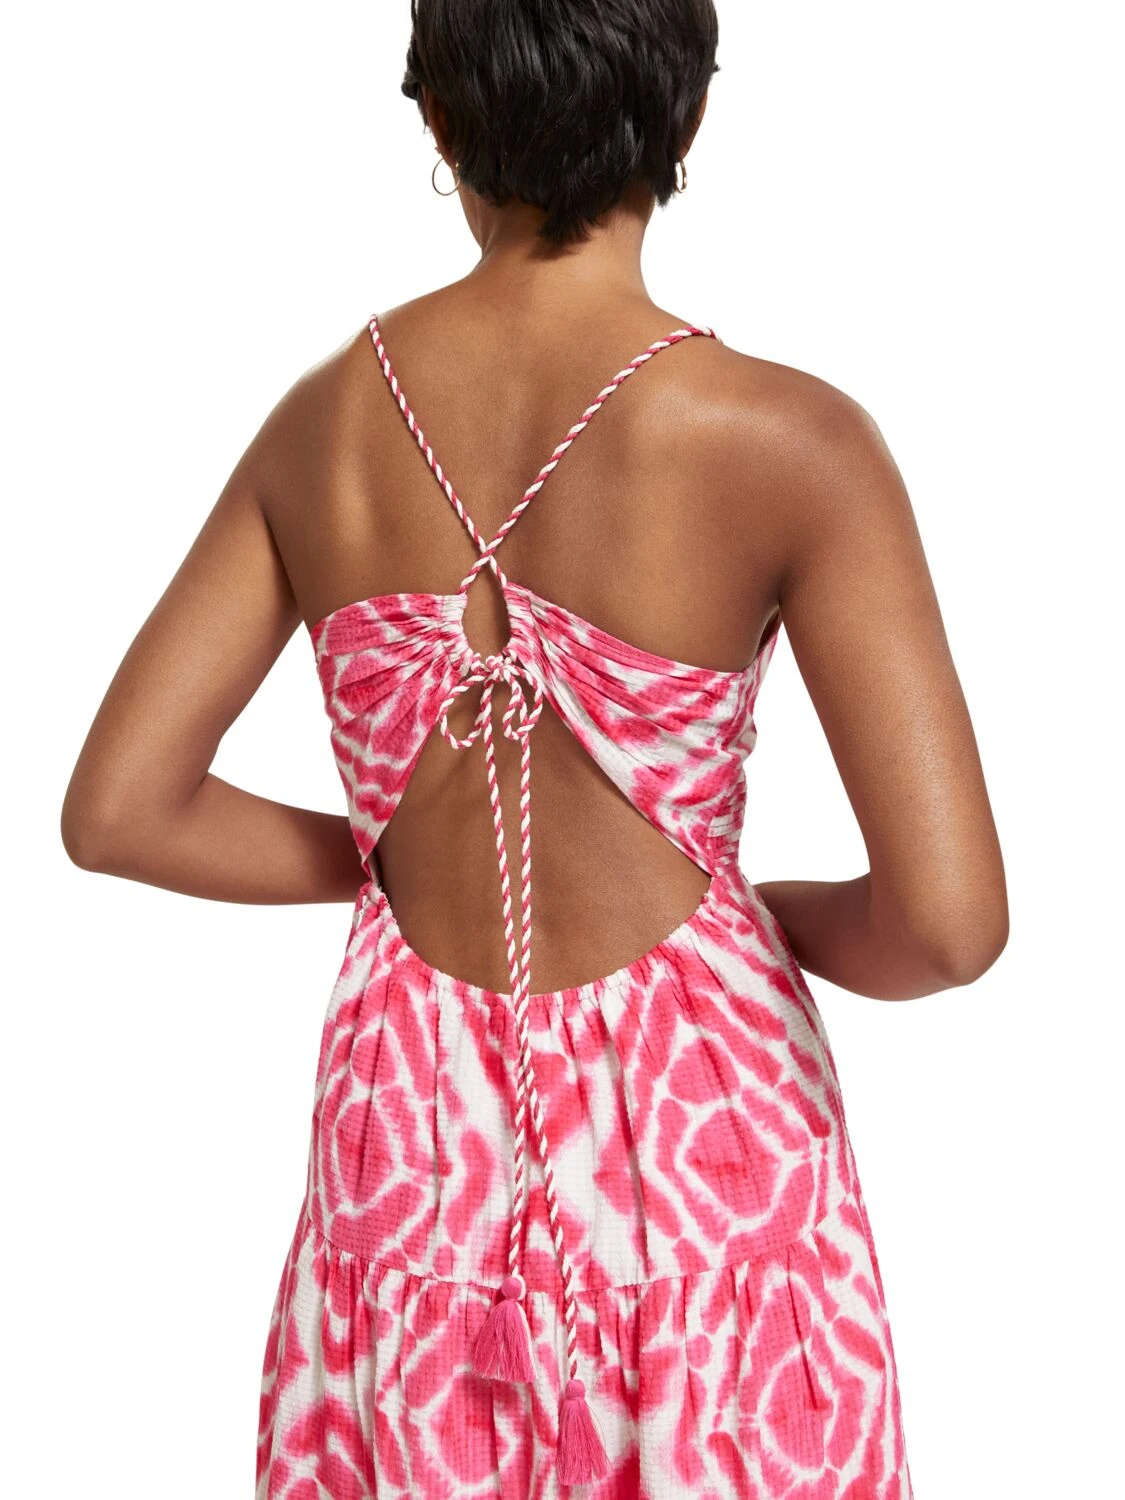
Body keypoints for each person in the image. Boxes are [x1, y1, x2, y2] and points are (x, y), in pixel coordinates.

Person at [60, 0, 1008, 1495]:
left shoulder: (321, 429)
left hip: (409, 1125)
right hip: (702, 1144)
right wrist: (764, 917)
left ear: (438, 117)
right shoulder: (793, 441)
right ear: (689, 113)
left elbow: (120, 810)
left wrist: (395, 857)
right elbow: (948, 929)